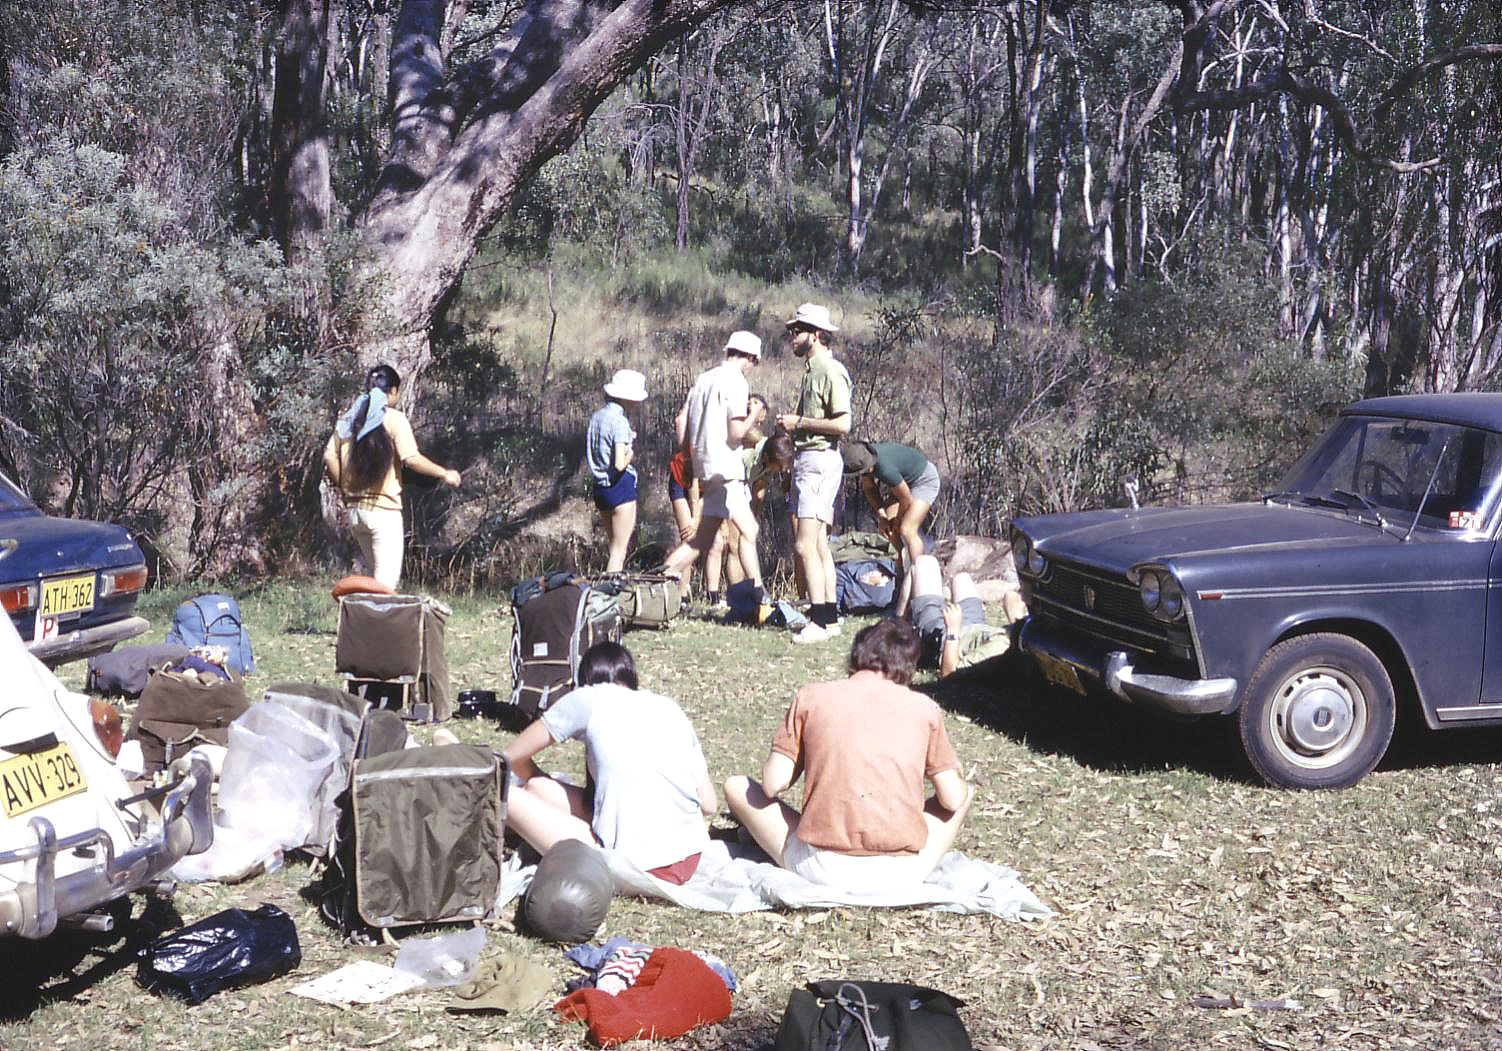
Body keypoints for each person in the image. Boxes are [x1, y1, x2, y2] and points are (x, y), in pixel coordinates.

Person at [723, 618, 972, 890]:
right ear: (909, 667)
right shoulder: (925, 708)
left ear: (856, 655)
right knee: (965, 792)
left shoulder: (811, 697)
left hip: (821, 868)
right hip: (901, 873)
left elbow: (772, 785)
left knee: (737, 786)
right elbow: (952, 798)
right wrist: (955, 770)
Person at [502, 641, 716, 884]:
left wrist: (534, 777)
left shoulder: (587, 699)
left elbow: (511, 756)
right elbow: (709, 804)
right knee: (539, 789)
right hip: (690, 857)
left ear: (582, 680)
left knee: (509, 796)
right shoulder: (669, 708)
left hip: (637, 865)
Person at [323, 364, 460, 590]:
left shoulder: (351, 418)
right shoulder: (394, 419)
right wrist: (445, 473)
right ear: (394, 391)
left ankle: (362, 623)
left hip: (356, 513)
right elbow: (411, 458)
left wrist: (346, 487)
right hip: (383, 513)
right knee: (386, 588)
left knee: (375, 583)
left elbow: (329, 455)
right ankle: (367, 625)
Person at [661, 332, 769, 605]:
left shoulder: (703, 379)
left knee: (702, 540)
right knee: (749, 531)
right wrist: (754, 416)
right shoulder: (736, 381)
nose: (751, 367)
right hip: (725, 469)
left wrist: (690, 457)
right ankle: (758, 597)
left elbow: (681, 421)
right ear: (750, 358)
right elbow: (736, 433)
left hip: (704, 467)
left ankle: (658, 580)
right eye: (753, 362)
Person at [775, 303, 850, 643]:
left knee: (805, 544)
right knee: (818, 544)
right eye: (791, 331)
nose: (792, 337)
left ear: (816, 335)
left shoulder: (830, 371)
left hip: (819, 460)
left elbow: (843, 423)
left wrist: (800, 423)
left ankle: (819, 622)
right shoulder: (812, 371)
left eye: (798, 331)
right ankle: (829, 617)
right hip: (811, 458)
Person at [842, 440, 940, 615]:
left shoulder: (885, 468)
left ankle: (918, 580)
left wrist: (898, 519)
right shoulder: (865, 461)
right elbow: (870, 489)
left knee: (906, 529)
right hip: (905, 487)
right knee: (888, 531)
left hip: (924, 480)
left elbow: (907, 499)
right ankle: (901, 577)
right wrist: (882, 516)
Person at [905, 554, 1025, 678]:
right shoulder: (1024, 641)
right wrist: (1019, 628)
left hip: (946, 635)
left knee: (924, 562)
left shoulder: (997, 650)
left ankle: (897, 624)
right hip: (974, 624)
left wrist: (952, 630)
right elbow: (1011, 597)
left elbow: (949, 673)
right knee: (962, 578)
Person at [586, 369, 648, 572]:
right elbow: (620, 463)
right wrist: (631, 449)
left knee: (614, 546)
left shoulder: (597, 417)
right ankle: (611, 597)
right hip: (620, 486)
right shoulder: (620, 422)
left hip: (600, 488)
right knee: (618, 553)